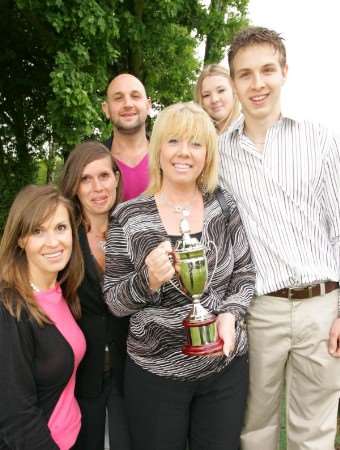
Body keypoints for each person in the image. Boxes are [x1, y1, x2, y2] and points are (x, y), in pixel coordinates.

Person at [104, 101, 255, 450]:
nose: (183, 153)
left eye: (196, 143)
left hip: (223, 370)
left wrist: (231, 315)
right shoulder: (129, 216)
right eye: (173, 141)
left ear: (207, 154)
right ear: (158, 149)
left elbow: (245, 272)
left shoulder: (223, 204)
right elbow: (114, 300)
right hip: (156, 375)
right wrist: (148, 280)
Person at [218, 26, 340, 450]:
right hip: (261, 309)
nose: (257, 83)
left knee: (316, 431)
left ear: (285, 71)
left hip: (324, 308)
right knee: (255, 427)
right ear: (233, 82)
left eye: (267, 70)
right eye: (245, 74)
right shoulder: (220, 155)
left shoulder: (319, 138)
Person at [0, 185, 85, 450]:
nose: (53, 242)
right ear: (21, 239)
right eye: (38, 231)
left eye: (60, 228)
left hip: (73, 435)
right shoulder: (11, 308)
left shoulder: (62, 291)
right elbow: (16, 416)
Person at [59, 141, 130, 450]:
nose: (97, 187)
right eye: (86, 179)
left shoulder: (133, 230)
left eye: (103, 175)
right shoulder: (62, 238)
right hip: (79, 376)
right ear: (73, 185)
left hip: (130, 371)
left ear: (116, 177)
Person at [102, 73, 151, 200]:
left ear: (148, 105)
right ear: (106, 109)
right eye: (118, 98)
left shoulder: (169, 157)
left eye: (135, 96)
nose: (128, 104)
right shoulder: (90, 164)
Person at [195, 64, 240, 134]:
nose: (214, 99)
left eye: (221, 90)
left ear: (234, 90)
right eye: (206, 95)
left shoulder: (254, 129)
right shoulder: (197, 135)